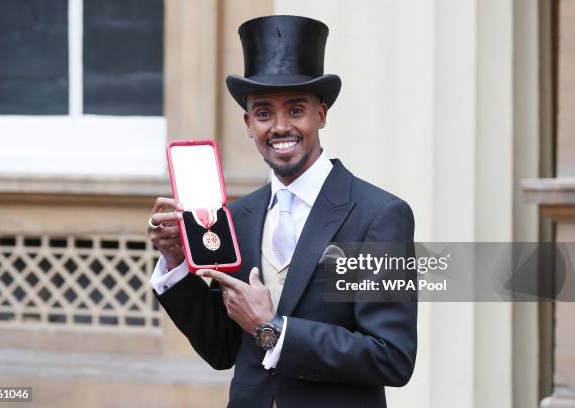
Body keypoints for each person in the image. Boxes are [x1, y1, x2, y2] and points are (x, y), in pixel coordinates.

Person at [147, 15, 417, 408]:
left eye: (295, 110)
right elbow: (223, 349)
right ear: (247, 123)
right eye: (263, 113)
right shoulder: (237, 218)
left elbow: (391, 356)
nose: (279, 127)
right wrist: (175, 262)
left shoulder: (379, 215)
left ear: (320, 115)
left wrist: (272, 330)